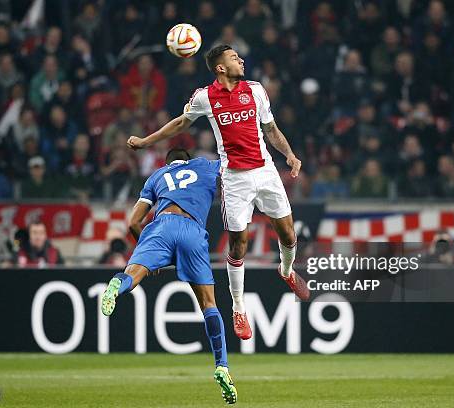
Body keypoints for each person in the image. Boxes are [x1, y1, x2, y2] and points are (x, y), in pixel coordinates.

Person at [126, 44, 309, 342]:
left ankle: (286, 271)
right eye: (235, 58)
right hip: (235, 179)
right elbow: (180, 123)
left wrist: (289, 155)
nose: (241, 60)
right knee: (238, 244)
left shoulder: (256, 90)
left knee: (288, 236)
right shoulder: (205, 97)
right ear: (221, 67)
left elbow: (271, 129)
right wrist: (146, 141)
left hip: (265, 171)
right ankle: (239, 306)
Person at [100, 149, 237, 404]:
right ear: (188, 158)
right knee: (209, 304)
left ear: (168, 163)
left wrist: (152, 253)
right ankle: (222, 366)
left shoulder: (157, 176)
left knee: (132, 275)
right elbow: (235, 160)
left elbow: (133, 222)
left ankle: (118, 284)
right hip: (192, 230)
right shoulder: (205, 166)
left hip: (161, 227)